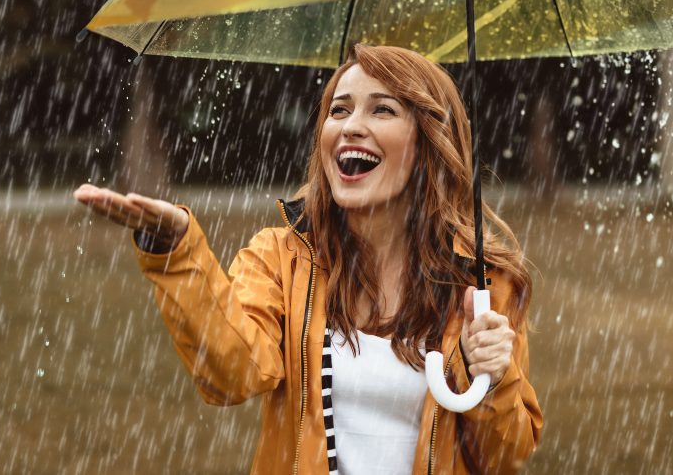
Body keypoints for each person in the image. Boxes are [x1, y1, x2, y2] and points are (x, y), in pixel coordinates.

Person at [73, 44, 542, 474]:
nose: (350, 125)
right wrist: (174, 250)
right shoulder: (282, 258)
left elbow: (505, 456)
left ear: (428, 145)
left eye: (382, 109)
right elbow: (231, 374)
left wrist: (495, 379)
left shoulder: (482, 286)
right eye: (339, 110)